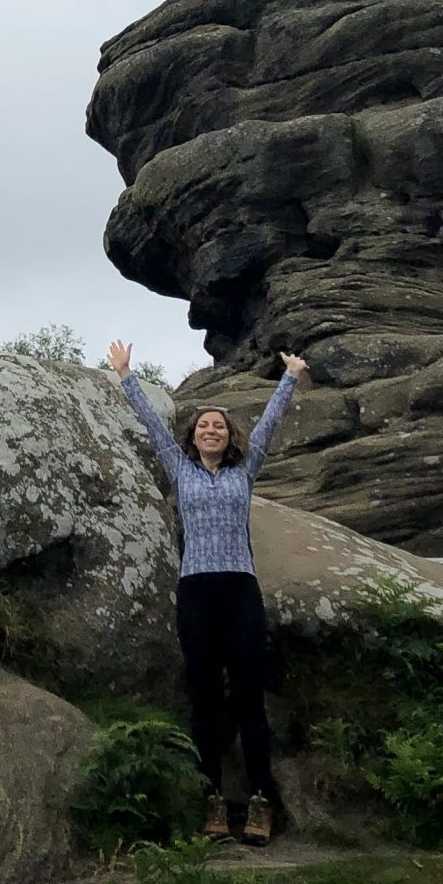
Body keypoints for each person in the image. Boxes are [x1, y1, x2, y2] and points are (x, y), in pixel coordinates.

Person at [106, 337, 308, 846]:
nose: (212, 430)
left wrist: (289, 377)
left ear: (229, 435)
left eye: (219, 425)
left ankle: (260, 801)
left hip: (240, 590)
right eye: (203, 426)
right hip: (195, 592)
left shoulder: (247, 467)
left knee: (248, 699)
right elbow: (152, 425)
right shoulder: (179, 468)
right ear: (193, 438)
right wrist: (127, 376)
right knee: (204, 700)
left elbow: (269, 424)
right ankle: (212, 801)